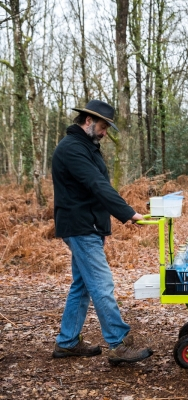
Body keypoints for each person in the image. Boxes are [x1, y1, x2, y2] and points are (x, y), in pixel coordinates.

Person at [51, 99, 153, 366]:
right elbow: (97, 185)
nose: (106, 132)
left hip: (88, 226)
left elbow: (92, 189)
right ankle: (118, 344)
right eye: (104, 126)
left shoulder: (87, 147)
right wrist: (128, 213)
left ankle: (67, 342)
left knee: (82, 285)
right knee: (101, 284)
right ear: (88, 121)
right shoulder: (72, 149)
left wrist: (102, 227)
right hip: (79, 226)